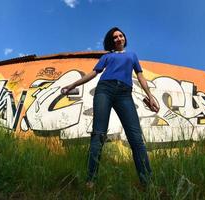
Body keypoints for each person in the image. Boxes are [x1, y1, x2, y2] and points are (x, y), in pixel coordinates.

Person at [62, 27, 160, 188]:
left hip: (124, 94)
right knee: (98, 135)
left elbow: (140, 76)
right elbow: (93, 73)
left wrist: (150, 95)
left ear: (124, 38)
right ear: (111, 41)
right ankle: (91, 180)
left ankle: (148, 183)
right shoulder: (107, 56)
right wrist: (72, 84)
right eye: (115, 37)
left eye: (121, 36)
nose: (118, 38)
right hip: (104, 90)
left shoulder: (132, 55)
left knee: (136, 139)